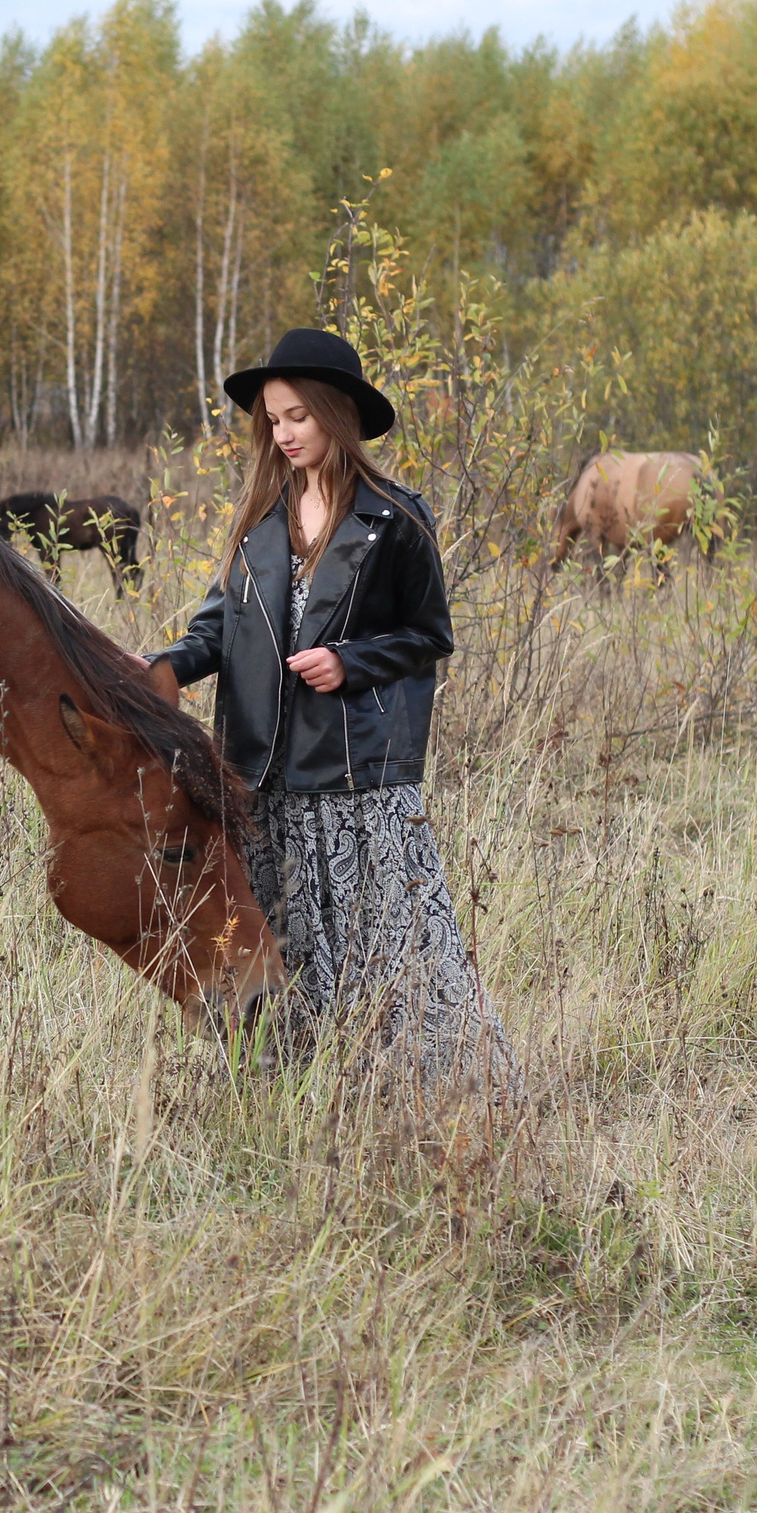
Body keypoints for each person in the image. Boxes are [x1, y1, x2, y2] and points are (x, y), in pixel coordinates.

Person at [146, 328, 514, 1096]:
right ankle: (291, 1094)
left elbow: (429, 635)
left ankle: (428, 1094)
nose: (282, 434)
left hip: (357, 781)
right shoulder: (257, 518)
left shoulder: (395, 520)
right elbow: (220, 626)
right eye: (273, 419)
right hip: (261, 776)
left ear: (336, 415)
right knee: (273, 945)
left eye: (297, 418)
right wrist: (169, 667)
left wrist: (351, 662)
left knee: (389, 946)